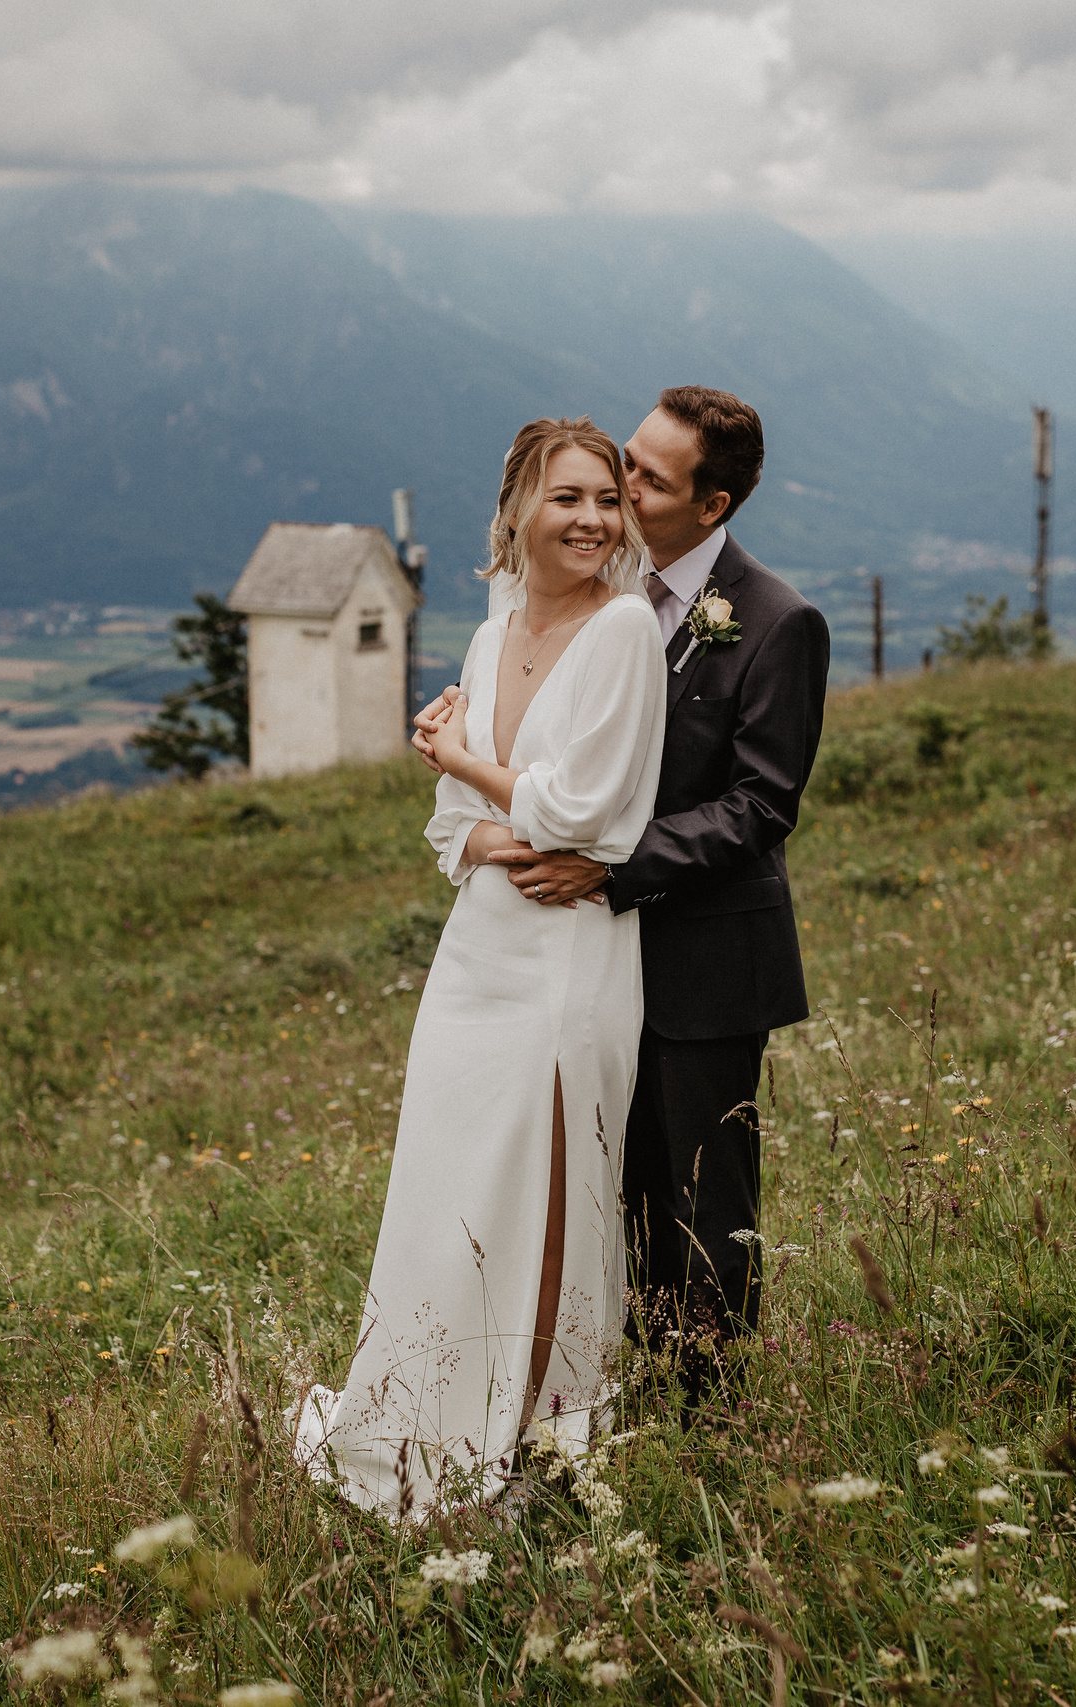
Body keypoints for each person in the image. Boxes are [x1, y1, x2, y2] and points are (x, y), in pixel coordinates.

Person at [415, 387, 828, 1403]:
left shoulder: (774, 622)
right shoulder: (590, 597)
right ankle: (611, 1378)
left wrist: (613, 867)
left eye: (646, 476)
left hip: (704, 958)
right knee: (613, 1187)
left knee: (701, 1196)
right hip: (582, 962)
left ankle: (709, 1406)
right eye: (625, 463)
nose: (623, 486)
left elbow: (758, 807)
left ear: (712, 503)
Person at [294, 417, 667, 1520]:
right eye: (569, 498)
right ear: (515, 511)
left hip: (568, 965)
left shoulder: (626, 634)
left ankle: (532, 1443)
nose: (595, 519)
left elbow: (591, 817)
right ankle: (424, 1412)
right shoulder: (490, 630)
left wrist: (467, 763)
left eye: (609, 498)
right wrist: (490, 809)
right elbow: (453, 830)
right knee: (446, 1186)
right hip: (476, 959)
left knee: (544, 1187)